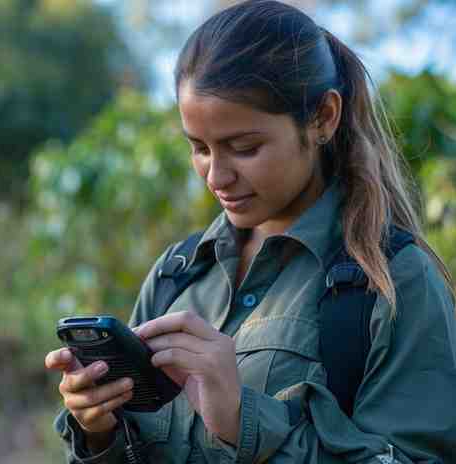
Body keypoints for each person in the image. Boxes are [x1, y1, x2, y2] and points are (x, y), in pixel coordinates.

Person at [44, 0, 456, 462]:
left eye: (244, 147)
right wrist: (97, 432)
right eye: (199, 148)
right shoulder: (176, 276)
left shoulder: (392, 283)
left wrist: (245, 422)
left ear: (323, 118)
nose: (216, 176)